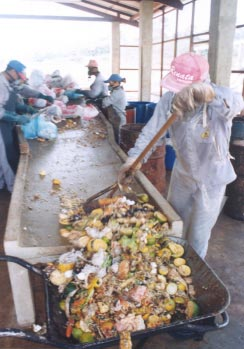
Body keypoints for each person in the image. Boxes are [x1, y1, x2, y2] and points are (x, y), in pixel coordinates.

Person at [118, 52, 244, 259]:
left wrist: (210, 95)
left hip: (211, 179)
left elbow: (236, 105)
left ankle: (192, 270)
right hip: (183, 174)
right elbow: (152, 132)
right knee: (173, 222)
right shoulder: (170, 100)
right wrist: (134, 159)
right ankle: (168, 264)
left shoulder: (219, 101)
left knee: (198, 234)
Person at [0, 59, 31, 190]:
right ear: (12, 71)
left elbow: (10, 102)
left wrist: (26, 109)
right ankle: (14, 189)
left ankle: (2, 185)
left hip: (6, 125)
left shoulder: (8, 83)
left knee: (5, 156)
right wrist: (16, 117)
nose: (19, 78)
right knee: (5, 158)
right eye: (18, 75)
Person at [102, 74, 127, 142]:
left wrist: (102, 100)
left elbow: (106, 103)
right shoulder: (116, 91)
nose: (109, 85)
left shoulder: (118, 92)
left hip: (119, 116)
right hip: (117, 115)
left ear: (116, 82)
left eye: (110, 83)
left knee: (118, 137)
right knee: (116, 135)